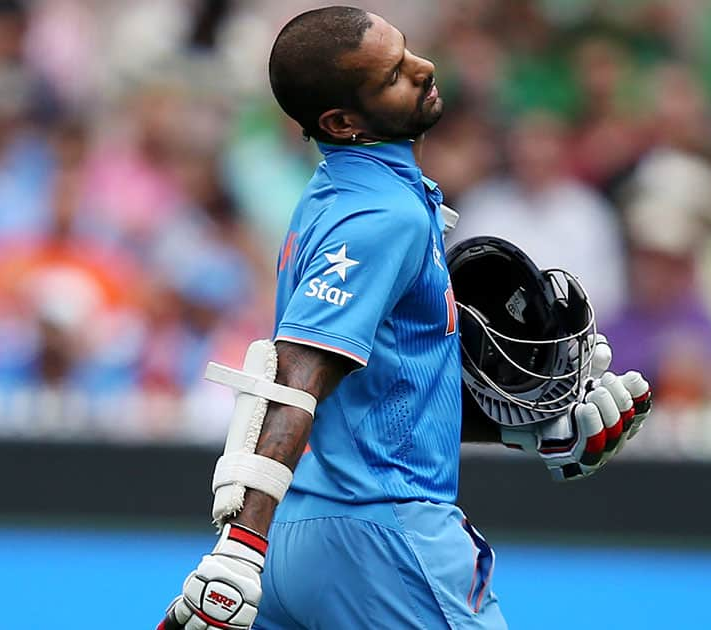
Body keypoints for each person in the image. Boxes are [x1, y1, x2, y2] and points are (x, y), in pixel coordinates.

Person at [160, 7, 649, 629]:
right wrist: (238, 546)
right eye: (394, 74)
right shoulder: (381, 215)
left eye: (408, 52)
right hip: (381, 535)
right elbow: (296, 371)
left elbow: (377, 396)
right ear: (342, 120)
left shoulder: (339, 192)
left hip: (305, 535)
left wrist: (526, 431)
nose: (424, 69)